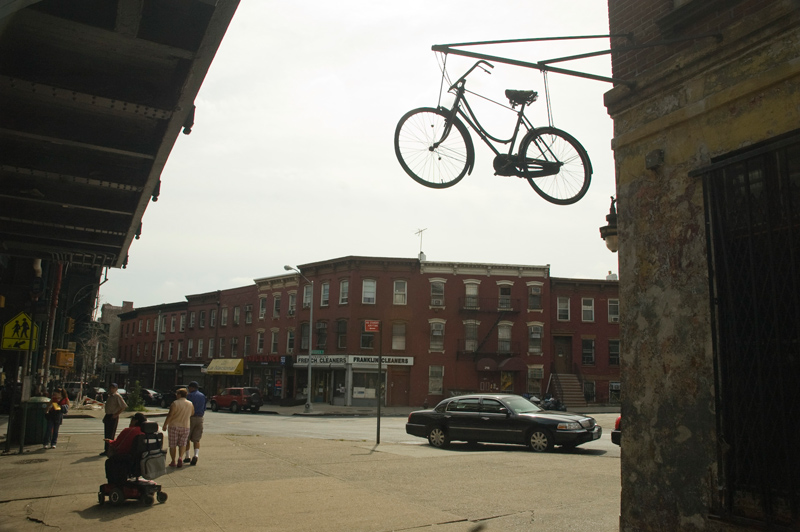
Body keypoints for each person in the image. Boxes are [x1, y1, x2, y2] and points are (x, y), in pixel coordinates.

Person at [104, 412, 147, 484]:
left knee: (109, 462)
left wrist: (110, 442)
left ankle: (113, 484)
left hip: (129, 459)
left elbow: (118, 446)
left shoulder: (129, 430)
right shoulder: (145, 432)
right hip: (143, 459)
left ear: (136, 421)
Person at [162, 387, 193, 468]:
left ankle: (173, 461)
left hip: (174, 426)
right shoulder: (190, 404)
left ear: (179, 394)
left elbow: (170, 415)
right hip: (186, 426)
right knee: (182, 443)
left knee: (172, 444)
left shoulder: (175, 403)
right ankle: (180, 457)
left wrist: (165, 424)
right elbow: (192, 413)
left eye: (177, 393)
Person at [183, 381, 206, 466]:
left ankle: (187, 456)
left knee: (187, 438)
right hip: (200, 418)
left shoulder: (189, 396)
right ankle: (196, 455)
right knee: (196, 439)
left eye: (189, 387)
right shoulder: (202, 396)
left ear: (192, 388)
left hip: (190, 418)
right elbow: (204, 408)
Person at [101, 383, 127, 456]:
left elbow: (123, 406)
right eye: (111, 388)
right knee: (107, 433)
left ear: (116, 389)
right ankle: (106, 450)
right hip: (108, 415)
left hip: (113, 416)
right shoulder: (110, 396)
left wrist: (116, 414)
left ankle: (109, 450)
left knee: (111, 435)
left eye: (113, 388)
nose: (112, 389)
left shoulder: (117, 396)